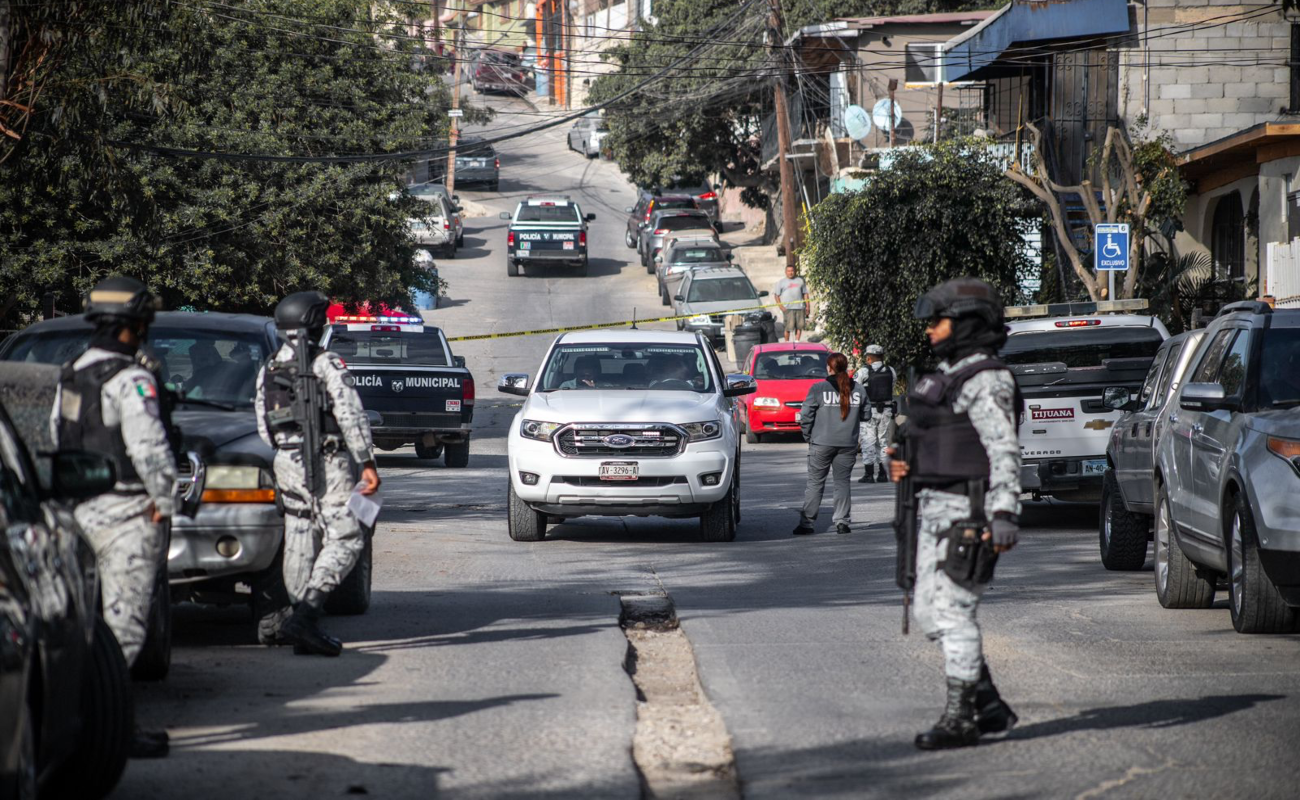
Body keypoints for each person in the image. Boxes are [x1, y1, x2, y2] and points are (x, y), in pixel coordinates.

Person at [888, 277, 1020, 750]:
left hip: (972, 512)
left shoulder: (987, 380)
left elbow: (1003, 450)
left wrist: (1004, 513)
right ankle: (988, 707)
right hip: (936, 509)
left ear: (966, 322)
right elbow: (937, 440)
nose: (929, 330)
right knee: (927, 610)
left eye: (938, 321)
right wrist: (905, 462)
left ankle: (961, 718)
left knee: (953, 612)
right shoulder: (952, 376)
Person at [54, 275, 177, 759]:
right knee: (124, 629)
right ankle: (102, 729)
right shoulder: (132, 378)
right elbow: (149, 448)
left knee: (83, 623)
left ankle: (85, 722)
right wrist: (165, 503)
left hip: (78, 513)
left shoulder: (71, 372)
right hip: (128, 513)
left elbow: (57, 441)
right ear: (137, 322)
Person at [256, 291, 381, 656]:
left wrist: (287, 450)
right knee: (347, 536)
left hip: (286, 462)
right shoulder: (328, 364)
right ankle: (307, 614)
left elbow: (264, 427)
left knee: (298, 536)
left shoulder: (269, 369)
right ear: (313, 325)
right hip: (328, 460)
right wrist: (367, 462)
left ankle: (299, 620)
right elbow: (351, 415)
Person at [794, 352, 870, 535]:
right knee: (842, 483)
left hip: (821, 443)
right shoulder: (858, 389)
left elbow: (805, 416)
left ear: (829, 368)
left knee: (815, 483)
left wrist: (808, 436)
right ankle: (842, 522)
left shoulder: (819, 388)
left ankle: (807, 524)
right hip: (848, 444)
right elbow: (866, 415)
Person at [857, 344, 897, 483]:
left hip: (869, 411)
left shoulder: (863, 371)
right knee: (883, 441)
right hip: (886, 410)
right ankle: (883, 473)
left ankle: (869, 474)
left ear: (869, 358)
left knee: (868, 441)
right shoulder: (890, 370)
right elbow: (892, 388)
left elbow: (856, 390)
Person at [773, 264, 809, 342]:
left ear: (795, 271)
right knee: (788, 327)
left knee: (799, 326)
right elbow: (776, 295)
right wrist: (781, 306)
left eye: (792, 271)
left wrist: (807, 306)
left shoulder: (800, 281)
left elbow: (805, 293)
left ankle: (797, 342)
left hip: (799, 307)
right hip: (788, 308)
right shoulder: (781, 282)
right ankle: (787, 343)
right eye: (788, 271)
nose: (790, 273)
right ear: (786, 272)